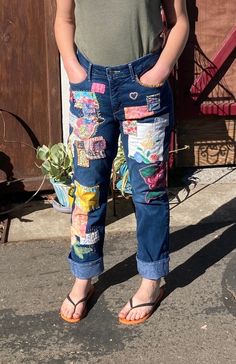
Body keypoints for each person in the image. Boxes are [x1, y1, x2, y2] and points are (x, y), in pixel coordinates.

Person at [54, 0, 189, 325]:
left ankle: (150, 281)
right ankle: (83, 275)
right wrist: (73, 68)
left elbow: (180, 21)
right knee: (87, 190)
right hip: (90, 89)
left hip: (143, 88)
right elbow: (63, 18)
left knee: (149, 192)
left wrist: (160, 70)